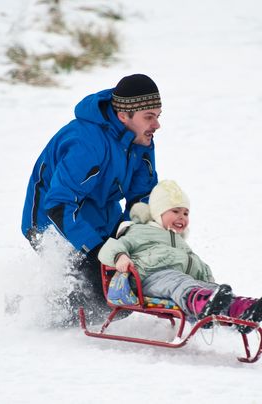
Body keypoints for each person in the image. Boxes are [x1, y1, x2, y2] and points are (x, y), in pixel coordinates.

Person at [21, 74, 162, 325]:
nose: (157, 125)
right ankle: (28, 312)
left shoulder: (140, 139)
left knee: (128, 287)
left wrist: (129, 239)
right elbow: (59, 204)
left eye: (158, 116)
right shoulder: (87, 143)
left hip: (100, 217)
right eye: (149, 117)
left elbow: (143, 197)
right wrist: (98, 252)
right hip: (51, 223)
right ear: (123, 116)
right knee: (103, 295)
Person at [98, 180, 262, 333]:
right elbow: (112, 246)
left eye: (185, 213)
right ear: (158, 212)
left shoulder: (180, 243)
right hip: (146, 279)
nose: (181, 217)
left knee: (199, 285)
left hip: (176, 281)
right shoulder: (139, 230)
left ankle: (243, 309)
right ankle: (203, 304)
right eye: (175, 211)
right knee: (179, 282)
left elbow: (195, 264)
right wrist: (120, 256)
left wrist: (210, 282)